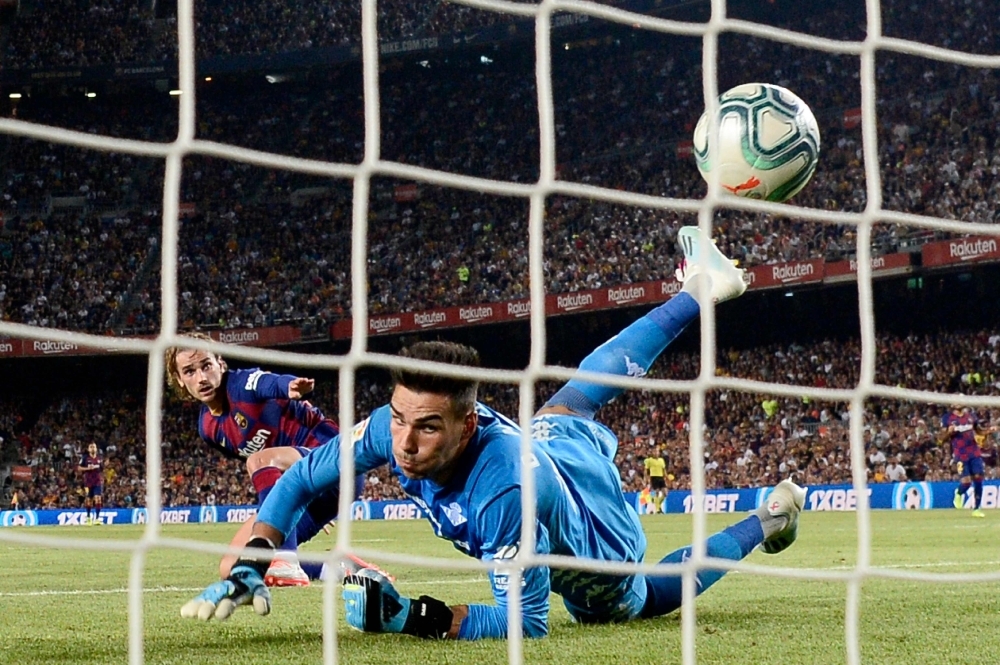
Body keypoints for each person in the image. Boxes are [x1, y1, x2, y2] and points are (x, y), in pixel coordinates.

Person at [180, 226, 807, 639]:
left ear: (465, 426)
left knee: (645, 597)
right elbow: (296, 477)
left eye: (426, 429)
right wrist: (254, 560)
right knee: (571, 401)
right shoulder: (389, 431)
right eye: (400, 419)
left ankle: (768, 522)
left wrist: (410, 618)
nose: (404, 443)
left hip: (594, 548)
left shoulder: (501, 496)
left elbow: (526, 624)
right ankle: (702, 289)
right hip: (552, 446)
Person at [165, 333, 380, 586]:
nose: (201, 377)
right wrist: (309, 496)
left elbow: (267, 383)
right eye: (189, 371)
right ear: (179, 380)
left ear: (220, 364)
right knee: (232, 566)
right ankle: (337, 568)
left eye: (206, 365)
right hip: (309, 487)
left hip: (336, 459)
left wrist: (288, 386)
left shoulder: (240, 384)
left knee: (258, 460)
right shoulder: (209, 428)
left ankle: (285, 558)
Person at [941, 405, 991, 518]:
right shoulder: (947, 418)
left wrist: (987, 431)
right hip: (960, 454)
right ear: (952, 404)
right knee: (966, 482)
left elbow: (979, 432)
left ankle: (977, 508)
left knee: (978, 478)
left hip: (974, 452)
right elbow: (941, 438)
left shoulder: (971, 417)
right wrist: (949, 432)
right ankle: (959, 493)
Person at [77, 442, 104, 525]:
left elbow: (101, 469)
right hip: (88, 482)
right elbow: (79, 468)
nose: (92, 448)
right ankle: (88, 518)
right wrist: (87, 468)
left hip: (97, 482)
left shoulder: (99, 458)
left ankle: (97, 518)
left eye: (94, 447)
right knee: (89, 500)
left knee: (98, 498)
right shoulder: (85, 458)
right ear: (88, 449)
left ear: (96, 449)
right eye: (91, 447)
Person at [642, 445, 668, 514]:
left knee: (665, 493)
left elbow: (664, 470)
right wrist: (645, 479)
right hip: (654, 477)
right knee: (656, 492)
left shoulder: (661, 460)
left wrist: (666, 477)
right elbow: (646, 471)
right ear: (652, 452)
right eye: (655, 451)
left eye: (657, 451)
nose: (656, 453)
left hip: (661, 477)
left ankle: (657, 504)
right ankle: (658, 509)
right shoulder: (649, 460)